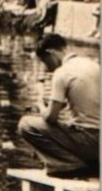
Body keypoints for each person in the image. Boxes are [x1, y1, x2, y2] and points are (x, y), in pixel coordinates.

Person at [18, 34, 100, 179]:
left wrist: (40, 103)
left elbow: (51, 118)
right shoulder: (95, 65)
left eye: (45, 62)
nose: (47, 68)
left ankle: (70, 165)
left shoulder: (61, 73)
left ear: (51, 53)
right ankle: (92, 164)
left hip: (90, 141)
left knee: (26, 125)